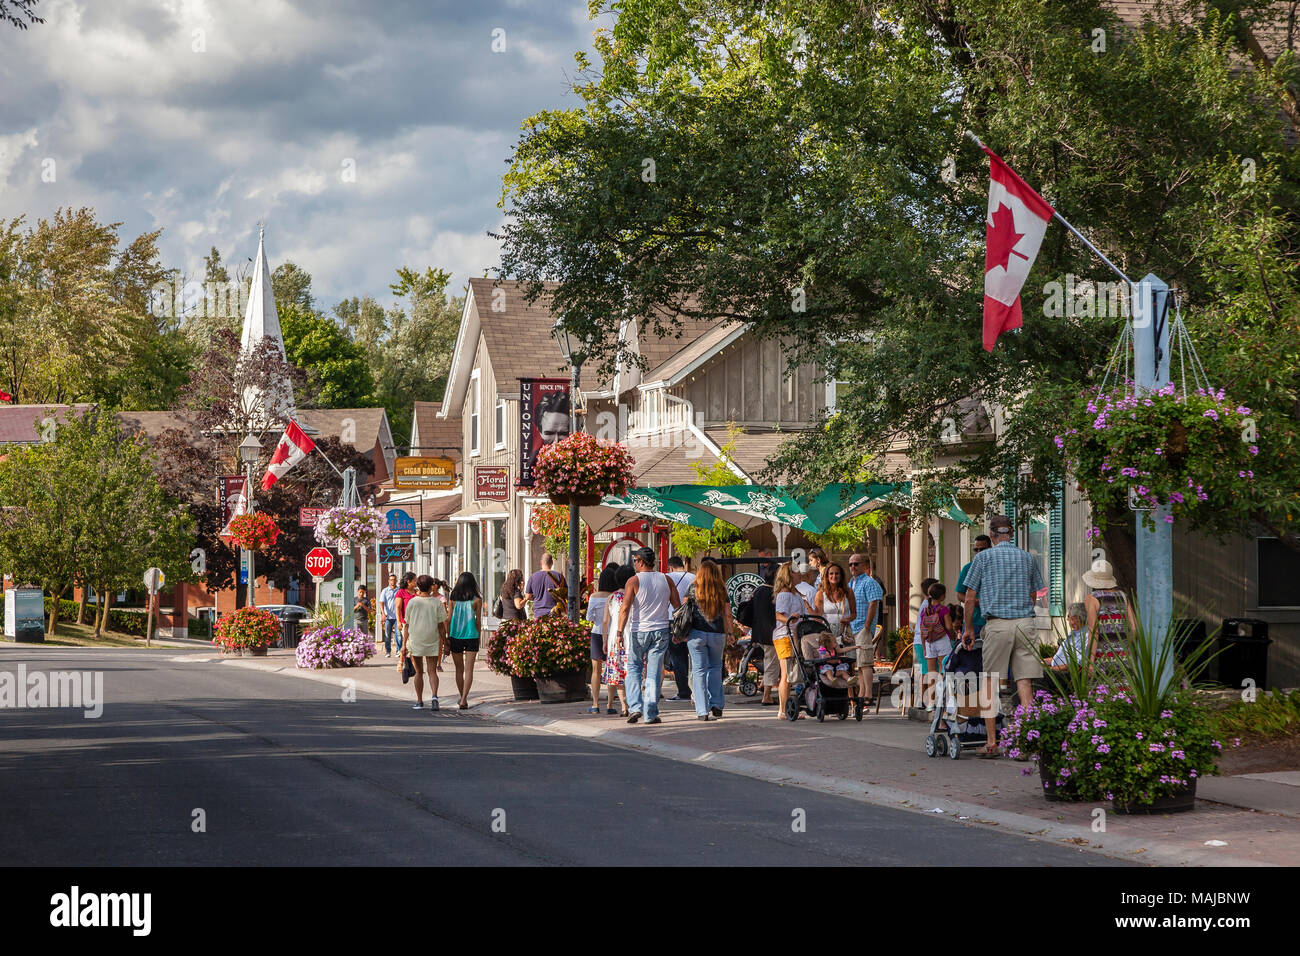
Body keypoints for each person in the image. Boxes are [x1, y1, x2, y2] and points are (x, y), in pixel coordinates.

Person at [959, 515, 1046, 757]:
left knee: (990, 683)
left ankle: (991, 743)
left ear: (993, 534)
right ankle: (1027, 743)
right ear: (1012, 533)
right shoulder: (1027, 557)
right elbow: (1034, 594)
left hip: (997, 624)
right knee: (1025, 681)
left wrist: (968, 628)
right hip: (1025, 624)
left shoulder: (984, 557)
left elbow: (968, 597)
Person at [614, 547, 682, 725]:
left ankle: (635, 707)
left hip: (639, 631)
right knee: (652, 672)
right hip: (661, 630)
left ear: (641, 561)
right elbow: (677, 607)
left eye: (635, 560)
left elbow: (625, 608)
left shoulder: (633, 581)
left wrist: (619, 632)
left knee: (634, 668)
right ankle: (650, 713)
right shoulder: (666, 579)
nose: (634, 563)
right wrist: (679, 630)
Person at [685, 560, 733, 721]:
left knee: (699, 671)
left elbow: (684, 611)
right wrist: (731, 633)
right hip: (717, 633)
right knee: (715, 668)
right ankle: (717, 704)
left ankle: (702, 710)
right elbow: (727, 614)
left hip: (696, 634)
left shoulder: (693, 588)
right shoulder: (721, 590)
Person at [1082, 560, 1136, 682]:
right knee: (1124, 696)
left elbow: (1093, 632)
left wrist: (1090, 663)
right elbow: (1134, 628)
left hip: (1102, 659)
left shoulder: (1092, 599)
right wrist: (1123, 648)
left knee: (1102, 697)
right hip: (1124, 658)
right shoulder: (1123, 596)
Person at [400, 575, 448, 711]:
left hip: (416, 641)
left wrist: (404, 645)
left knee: (419, 672)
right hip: (432, 640)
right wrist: (445, 642)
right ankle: (434, 697)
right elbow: (441, 626)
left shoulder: (412, 602)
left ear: (418, 587)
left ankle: (420, 701)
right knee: (432, 671)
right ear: (431, 586)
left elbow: (407, 625)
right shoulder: (437, 603)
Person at [738, 561, 780, 705]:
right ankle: (767, 696)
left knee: (770, 661)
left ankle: (763, 685)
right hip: (771, 634)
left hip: (759, 633)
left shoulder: (759, 590)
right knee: (772, 664)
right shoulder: (775, 593)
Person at [847, 554, 884, 706]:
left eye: (856, 564)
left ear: (864, 565)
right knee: (860, 664)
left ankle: (868, 694)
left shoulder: (870, 582)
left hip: (863, 626)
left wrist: (867, 625)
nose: (853, 567)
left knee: (866, 662)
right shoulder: (851, 583)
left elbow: (873, 604)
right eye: (850, 564)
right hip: (853, 626)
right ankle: (861, 693)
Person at [772, 562, 806, 719]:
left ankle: (787, 709)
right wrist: (790, 619)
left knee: (792, 674)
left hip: (794, 635)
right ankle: (783, 710)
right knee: (786, 674)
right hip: (785, 636)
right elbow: (779, 615)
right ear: (790, 574)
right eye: (796, 572)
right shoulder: (784, 594)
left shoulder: (796, 594)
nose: (800, 574)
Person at [601, 565, 637, 716]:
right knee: (633, 674)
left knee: (618, 675)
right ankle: (634, 703)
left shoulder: (611, 598)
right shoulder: (636, 596)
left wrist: (604, 641)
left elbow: (605, 622)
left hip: (615, 641)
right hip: (632, 639)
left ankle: (624, 706)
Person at [586, 563, 620, 714]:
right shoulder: (614, 597)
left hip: (597, 632)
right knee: (611, 668)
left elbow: (589, 617)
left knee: (596, 670)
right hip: (611, 634)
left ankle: (595, 704)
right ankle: (610, 704)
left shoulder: (594, 596)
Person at [447, 572, 483, 710]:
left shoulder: (453, 599)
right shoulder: (476, 600)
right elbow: (478, 621)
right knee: (469, 670)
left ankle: (463, 697)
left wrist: (447, 637)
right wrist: (479, 636)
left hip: (455, 635)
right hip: (471, 636)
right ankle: (463, 699)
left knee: (458, 669)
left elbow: (449, 619)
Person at [918, 582, 956, 708]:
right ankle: (944, 699)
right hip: (942, 640)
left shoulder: (925, 611)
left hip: (929, 643)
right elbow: (949, 626)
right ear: (942, 596)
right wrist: (952, 635)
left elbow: (922, 630)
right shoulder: (943, 609)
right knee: (944, 670)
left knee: (931, 673)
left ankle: (931, 702)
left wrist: (924, 647)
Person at [664, 556, 696, 702]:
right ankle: (697, 689)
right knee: (694, 655)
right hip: (691, 619)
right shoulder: (694, 577)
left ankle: (683, 691)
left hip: (672, 619)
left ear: (670, 567)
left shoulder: (666, 577)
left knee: (677, 657)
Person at [955, 534, 992, 639]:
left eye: (982, 549)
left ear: (990, 548)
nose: (979, 552)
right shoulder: (968, 568)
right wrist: (975, 602)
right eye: (976, 549)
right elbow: (959, 595)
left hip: (994, 621)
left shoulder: (997, 567)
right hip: (974, 622)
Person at [527, 390, 571, 474]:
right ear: (539, 430)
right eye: (549, 433)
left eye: (563, 433)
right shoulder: (532, 463)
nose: (556, 442)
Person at [814, 562, 857, 645]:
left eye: (837, 573)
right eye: (831, 573)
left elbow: (854, 614)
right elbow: (817, 618)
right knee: (831, 657)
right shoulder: (820, 594)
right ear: (827, 576)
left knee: (849, 657)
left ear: (841, 576)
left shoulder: (848, 592)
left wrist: (847, 619)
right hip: (827, 633)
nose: (834, 576)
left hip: (845, 632)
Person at [1047, 603, 1090, 671]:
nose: (1068, 620)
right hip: (1056, 670)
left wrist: (1051, 670)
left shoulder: (1086, 637)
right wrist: (1040, 662)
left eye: (1071, 618)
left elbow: (1077, 664)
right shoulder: (1073, 634)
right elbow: (1059, 658)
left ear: (1080, 619)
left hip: (1067, 674)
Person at [524, 552, 564, 619]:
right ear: (552, 563)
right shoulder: (559, 576)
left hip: (538, 613)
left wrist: (537, 598)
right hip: (554, 612)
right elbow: (565, 593)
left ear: (541, 563)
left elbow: (527, 596)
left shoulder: (533, 577)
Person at [379, 573, 400, 657]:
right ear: (388, 581)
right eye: (391, 580)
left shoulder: (399, 590)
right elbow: (381, 603)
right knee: (387, 635)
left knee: (398, 635)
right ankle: (388, 651)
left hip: (397, 616)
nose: (393, 581)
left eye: (394, 580)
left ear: (396, 581)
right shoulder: (385, 591)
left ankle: (398, 651)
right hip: (388, 616)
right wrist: (383, 614)